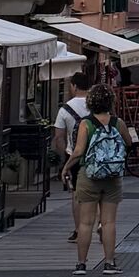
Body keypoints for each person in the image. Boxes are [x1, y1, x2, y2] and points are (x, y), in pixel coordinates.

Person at [60, 84, 135, 275]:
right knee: (108, 222)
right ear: (111, 102)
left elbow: (78, 151)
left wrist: (66, 167)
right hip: (112, 177)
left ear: (90, 102)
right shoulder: (118, 123)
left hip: (89, 175)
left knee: (85, 223)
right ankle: (109, 263)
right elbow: (129, 142)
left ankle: (81, 264)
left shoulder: (86, 123)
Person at [52, 71, 97, 243]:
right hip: (97, 155)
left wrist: (65, 156)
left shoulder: (65, 109)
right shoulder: (96, 105)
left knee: (77, 194)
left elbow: (58, 137)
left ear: (74, 86)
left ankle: (79, 230)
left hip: (75, 157)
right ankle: (100, 223)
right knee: (98, 191)